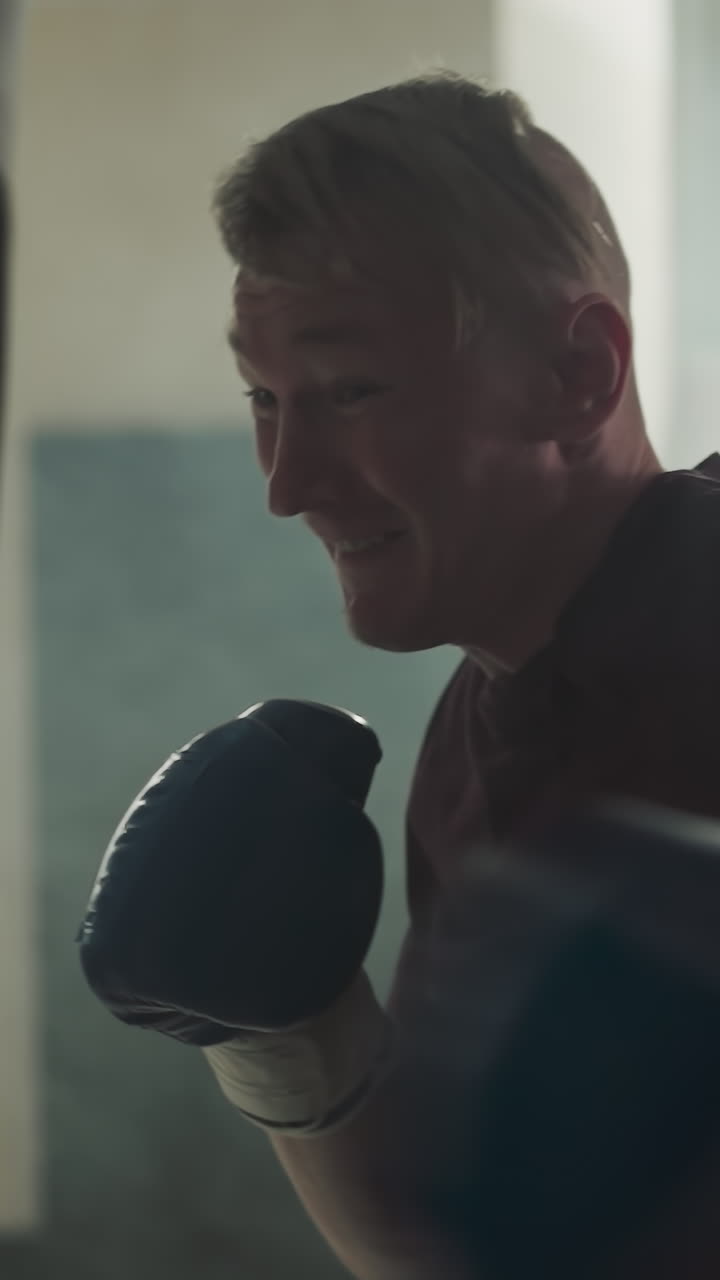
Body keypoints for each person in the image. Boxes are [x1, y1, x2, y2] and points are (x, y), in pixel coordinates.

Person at [208, 72, 720, 1276]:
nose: (286, 482)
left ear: (576, 373)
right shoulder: (468, 743)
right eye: (264, 400)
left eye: (350, 391)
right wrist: (295, 1041)